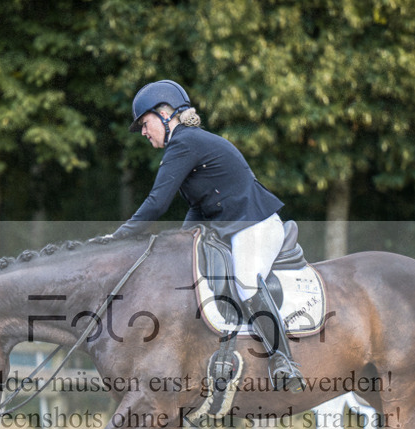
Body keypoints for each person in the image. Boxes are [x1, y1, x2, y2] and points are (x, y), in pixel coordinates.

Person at [111, 80, 304, 391]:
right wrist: (178, 243)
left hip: (254, 224)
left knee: (245, 281)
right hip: (231, 228)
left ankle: (284, 361)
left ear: (164, 114)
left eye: (144, 124)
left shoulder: (185, 143)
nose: (144, 133)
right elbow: (198, 209)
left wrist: (116, 239)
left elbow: (156, 203)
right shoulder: (187, 144)